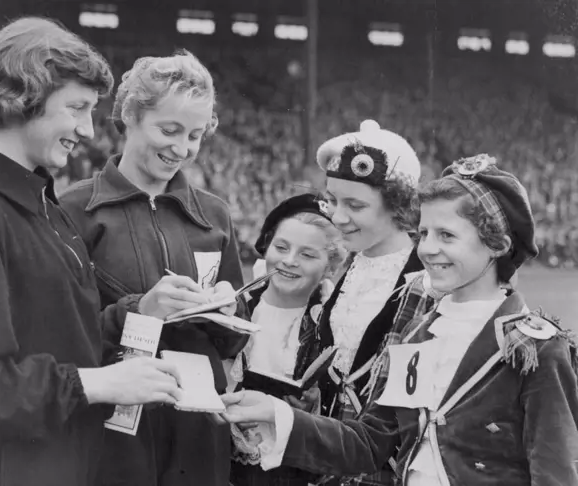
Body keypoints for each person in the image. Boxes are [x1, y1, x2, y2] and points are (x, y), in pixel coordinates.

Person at [0, 18, 185, 486]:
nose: (89, 129)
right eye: (76, 108)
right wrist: (98, 383)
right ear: (22, 97)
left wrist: (140, 313)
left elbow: (63, 335)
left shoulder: (43, 205)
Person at [220, 155, 578, 486]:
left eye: (447, 235)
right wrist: (278, 414)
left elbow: (556, 471)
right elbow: (369, 443)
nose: (426, 249)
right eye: (423, 234)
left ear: (497, 244)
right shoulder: (417, 333)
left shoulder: (534, 348)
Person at [59, 50, 247, 486]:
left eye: (196, 135)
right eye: (169, 130)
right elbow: (60, 338)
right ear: (130, 116)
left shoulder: (214, 216)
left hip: (199, 441)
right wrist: (140, 310)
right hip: (109, 439)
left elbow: (235, 342)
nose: (182, 148)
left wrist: (229, 313)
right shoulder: (74, 210)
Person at [314, 120, 426, 485]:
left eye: (355, 205)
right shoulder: (353, 264)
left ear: (398, 205)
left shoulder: (426, 280)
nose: (338, 217)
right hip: (332, 456)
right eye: (332, 201)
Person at [228, 193, 346, 486]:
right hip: (223, 458)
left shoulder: (333, 323)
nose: (289, 261)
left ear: (330, 267)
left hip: (290, 469)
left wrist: (315, 402)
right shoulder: (237, 306)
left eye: (307, 255)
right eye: (281, 247)